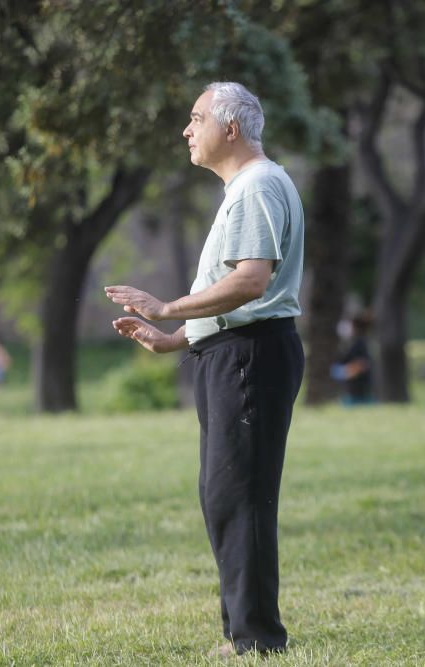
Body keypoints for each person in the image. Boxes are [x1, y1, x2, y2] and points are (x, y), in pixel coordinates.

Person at [105, 82, 304, 657]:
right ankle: (244, 632)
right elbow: (236, 294)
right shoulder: (249, 187)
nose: (187, 131)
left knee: (239, 496)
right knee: (225, 495)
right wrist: (175, 338)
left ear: (231, 129)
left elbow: (250, 280)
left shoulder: (258, 186)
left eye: (195, 119)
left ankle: (257, 640)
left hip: (250, 356)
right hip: (231, 352)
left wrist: (167, 306)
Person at [331, 312, 375, 405]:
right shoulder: (357, 342)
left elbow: (362, 364)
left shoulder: (361, 343)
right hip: (356, 389)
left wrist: (343, 373)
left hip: (358, 391)